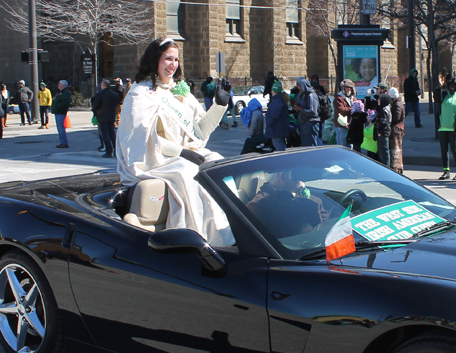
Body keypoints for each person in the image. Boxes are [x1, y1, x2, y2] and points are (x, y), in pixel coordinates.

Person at [115, 38, 234, 246]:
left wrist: (219, 106)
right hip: (156, 159)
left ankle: (226, 234)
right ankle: (194, 238)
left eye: (176, 59)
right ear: (155, 60)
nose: (173, 64)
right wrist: (181, 153)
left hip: (184, 154)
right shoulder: (140, 94)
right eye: (167, 59)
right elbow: (141, 144)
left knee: (218, 163)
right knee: (188, 173)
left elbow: (199, 133)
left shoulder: (180, 91)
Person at [246, 171, 324, 238]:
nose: (304, 178)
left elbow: (326, 226)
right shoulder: (258, 207)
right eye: (298, 173)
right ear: (282, 177)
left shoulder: (310, 199)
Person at [435, 77, 456, 180]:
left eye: (454, 85)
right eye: (450, 85)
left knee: (454, 149)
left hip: (454, 128)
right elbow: (436, 98)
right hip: (443, 127)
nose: (452, 87)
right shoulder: (444, 95)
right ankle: (446, 171)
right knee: (444, 150)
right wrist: (439, 86)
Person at [92, 79, 120, 158]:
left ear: (103, 85)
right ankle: (116, 150)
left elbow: (95, 106)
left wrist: (96, 111)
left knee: (105, 134)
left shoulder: (100, 95)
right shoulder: (113, 94)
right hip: (111, 116)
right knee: (112, 133)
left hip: (102, 116)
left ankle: (109, 151)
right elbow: (116, 103)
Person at [293, 78, 321, 146]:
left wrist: (301, 109)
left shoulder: (311, 95)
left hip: (310, 124)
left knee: (311, 146)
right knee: (305, 146)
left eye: (301, 89)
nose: (300, 91)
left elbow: (313, 111)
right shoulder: (304, 95)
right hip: (304, 123)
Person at [265, 81, 290, 151]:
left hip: (276, 129)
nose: (271, 92)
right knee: (279, 145)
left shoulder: (277, 101)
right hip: (279, 127)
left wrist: (268, 124)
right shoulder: (280, 100)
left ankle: (282, 160)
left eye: (272, 90)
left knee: (278, 146)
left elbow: (274, 116)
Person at [333, 79, 357, 146]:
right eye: (347, 87)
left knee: (350, 146)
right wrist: (352, 109)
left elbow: (357, 106)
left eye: (350, 87)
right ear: (343, 88)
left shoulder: (353, 97)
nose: (349, 89)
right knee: (342, 146)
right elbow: (341, 110)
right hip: (341, 125)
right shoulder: (338, 97)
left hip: (351, 125)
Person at [388, 87, 405, 174]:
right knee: (397, 149)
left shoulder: (397, 104)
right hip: (399, 128)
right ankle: (398, 167)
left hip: (396, 129)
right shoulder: (399, 103)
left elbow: (397, 117)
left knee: (396, 149)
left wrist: (390, 120)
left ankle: (396, 167)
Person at [51, 80, 71, 148]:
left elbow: (65, 102)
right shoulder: (60, 92)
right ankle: (62, 142)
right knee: (59, 128)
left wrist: (58, 106)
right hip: (58, 112)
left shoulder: (65, 92)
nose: (58, 85)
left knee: (61, 128)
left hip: (61, 112)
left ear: (63, 85)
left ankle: (64, 142)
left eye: (59, 84)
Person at [374, 93, 392, 167]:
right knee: (384, 151)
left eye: (379, 99)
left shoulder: (383, 111)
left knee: (384, 152)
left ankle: (386, 167)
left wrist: (380, 132)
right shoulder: (387, 108)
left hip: (383, 133)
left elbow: (383, 122)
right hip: (386, 133)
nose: (378, 100)